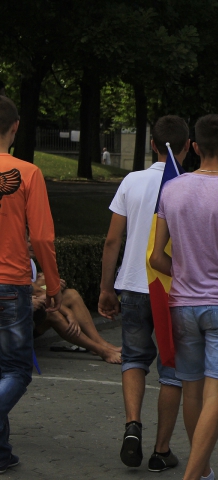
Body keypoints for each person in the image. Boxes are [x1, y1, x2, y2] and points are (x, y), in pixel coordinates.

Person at [149, 114, 218, 480]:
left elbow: (156, 256)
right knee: (217, 393)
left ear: (194, 147)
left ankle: (202, 470)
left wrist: (185, 273)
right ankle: (193, 475)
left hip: (182, 303)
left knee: (191, 389)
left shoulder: (172, 190)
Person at [98, 115, 189, 471]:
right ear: (188, 148)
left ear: (153, 145)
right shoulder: (187, 185)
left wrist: (107, 288)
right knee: (172, 368)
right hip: (172, 288)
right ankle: (161, 450)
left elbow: (111, 240)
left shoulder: (131, 181)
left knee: (134, 358)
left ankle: (132, 423)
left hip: (133, 285)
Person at [0, 95, 62, 475]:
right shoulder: (27, 172)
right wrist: (51, 285)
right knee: (17, 371)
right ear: (16, 126)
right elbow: (41, 239)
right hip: (10, 282)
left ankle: (2, 452)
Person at [32, 272, 121, 364]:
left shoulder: (29, 261)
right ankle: (101, 350)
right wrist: (68, 313)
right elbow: (38, 292)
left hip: (32, 309)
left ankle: (99, 342)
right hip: (20, 319)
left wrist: (43, 283)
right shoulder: (17, 261)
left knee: (71, 295)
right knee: (52, 312)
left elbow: (35, 288)